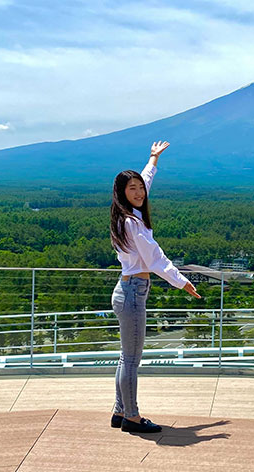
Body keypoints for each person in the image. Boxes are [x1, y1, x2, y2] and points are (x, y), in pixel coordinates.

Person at [109, 140, 201, 433]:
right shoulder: (132, 224)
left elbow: (145, 180)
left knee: (126, 357)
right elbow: (155, 258)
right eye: (132, 188)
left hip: (129, 290)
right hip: (133, 293)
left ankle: (119, 411)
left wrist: (152, 160)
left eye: (140, 187)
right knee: (132, 359)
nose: (138, 192)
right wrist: (181, 281)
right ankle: (132, 418)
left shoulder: (126, 215)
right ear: (122, 193)